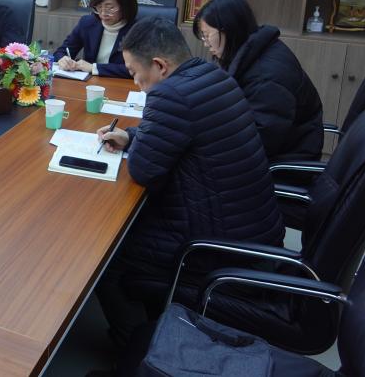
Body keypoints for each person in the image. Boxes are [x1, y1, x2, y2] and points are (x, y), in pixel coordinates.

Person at [93, 19, 284, 347]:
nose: (136, 82)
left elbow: (144, 171)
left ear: (160, 66)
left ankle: (136, 351)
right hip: (249, 226)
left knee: (103, 254)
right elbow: (185, 136)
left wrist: (139, 143)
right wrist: (133, 136)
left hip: (215, 243)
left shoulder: (170, 95)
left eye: (135, 73)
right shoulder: (212, 75)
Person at [194, 0, 323, 162]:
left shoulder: (266, 78)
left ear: (228, 30)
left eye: (207, 35)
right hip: (277, 147)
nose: (206, 43)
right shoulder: (255, 51)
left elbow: (258, 142)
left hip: (283, 160)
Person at [53, 0, 139, 78]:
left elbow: (137, 68)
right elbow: (61, 51)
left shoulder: (138, 30)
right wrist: (63, 59)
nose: (103, 13)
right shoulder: (87, 23)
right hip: (89, 83)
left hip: (120, 85)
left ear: (125, 6)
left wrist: (94, 68)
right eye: (98, 7)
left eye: (110, 8)